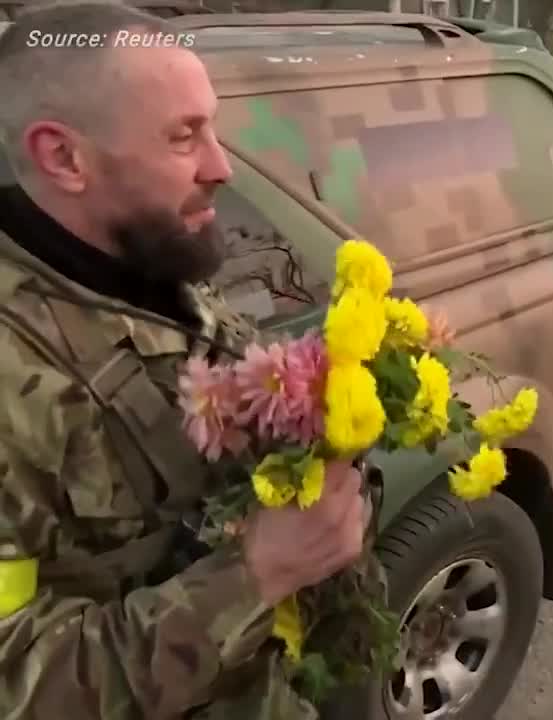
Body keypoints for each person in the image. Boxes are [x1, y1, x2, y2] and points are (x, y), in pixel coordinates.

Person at [0, 4, 371, 718]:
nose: (221, 166)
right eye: (183, 136)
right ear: (63, 158)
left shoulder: (143, 260)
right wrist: (255, 576)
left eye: (212, 125)